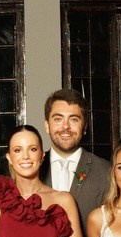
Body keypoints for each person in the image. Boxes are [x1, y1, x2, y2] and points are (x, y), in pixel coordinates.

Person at [41, 89, 114, 225]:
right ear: (47, 125)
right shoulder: (33, 169)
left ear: (85, 127)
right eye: (58, 119)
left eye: (74, 119)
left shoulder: (105, 171)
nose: (65, 126)